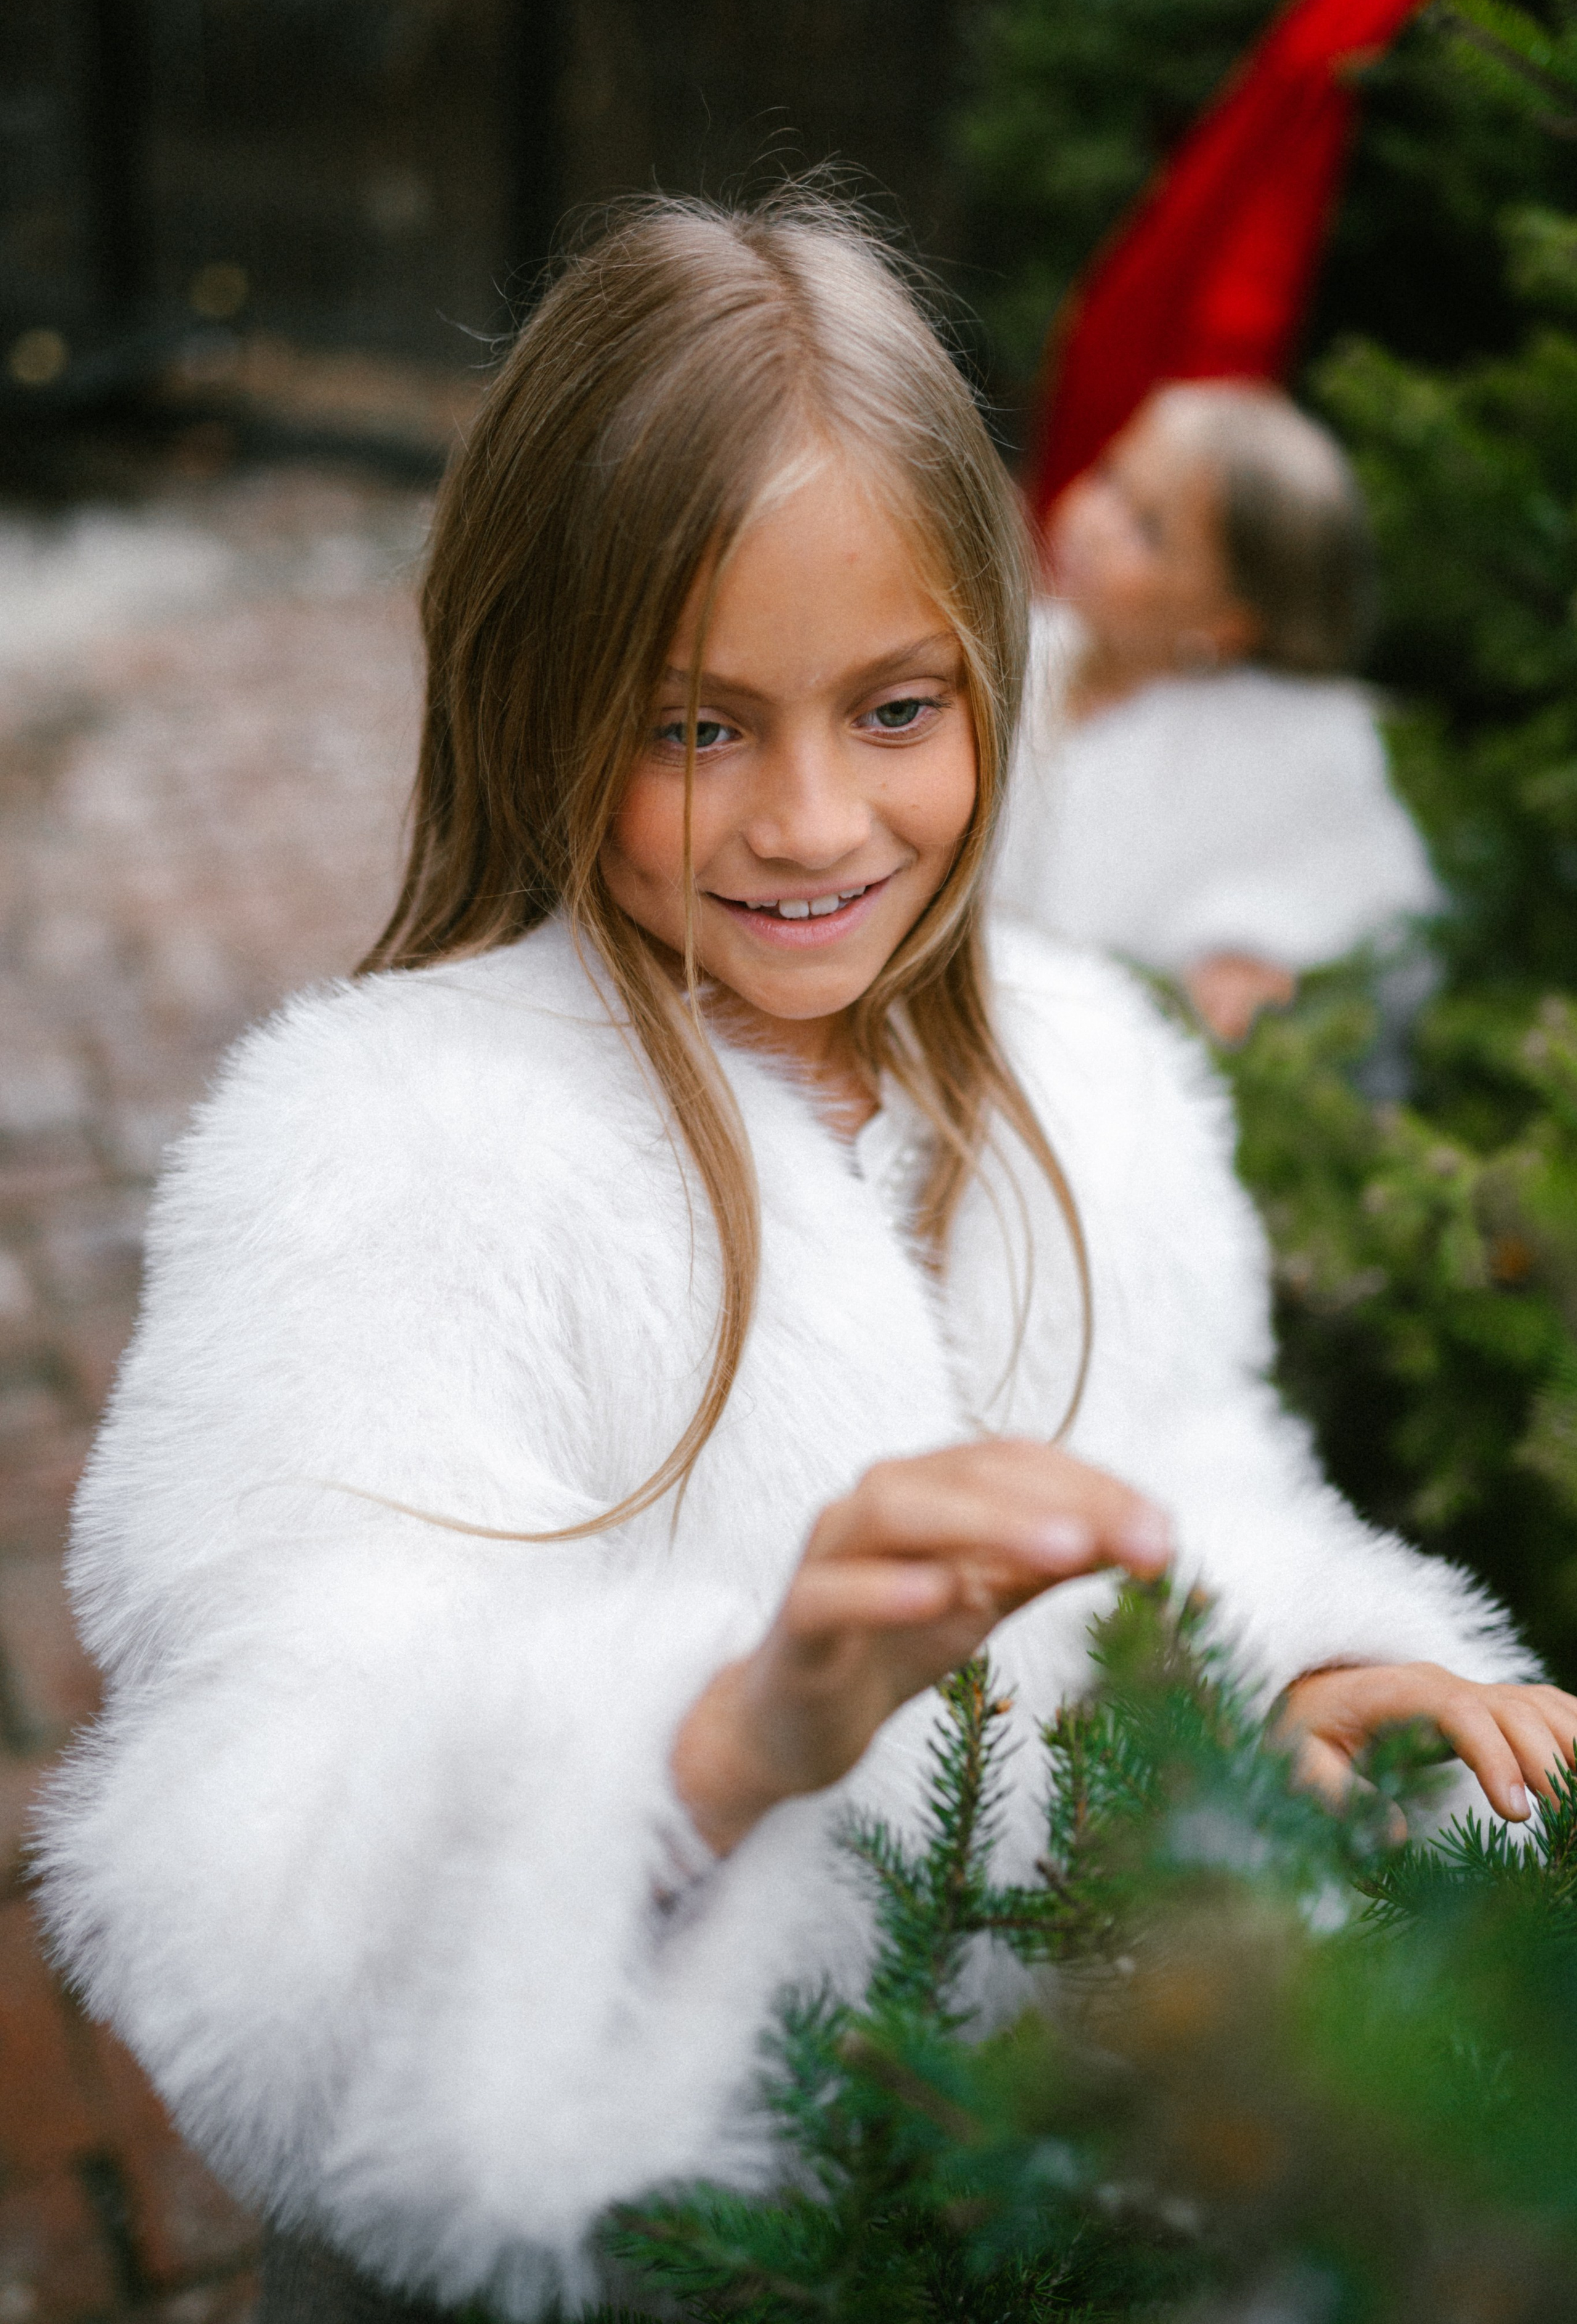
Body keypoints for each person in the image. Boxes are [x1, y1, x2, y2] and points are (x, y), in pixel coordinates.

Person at [36, 199, 1577, 2324]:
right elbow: (248, 1863)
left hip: (1014, 2202)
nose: (813, 825)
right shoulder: (381, 1152)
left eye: (893, 709)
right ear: (532, 697)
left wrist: (1299, 1680)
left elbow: (1190, 1478)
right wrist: (734, 1729)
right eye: (694, 729)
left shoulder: (1087, 1071)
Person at [992, 382, 1441, 1043]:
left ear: (1227, 622)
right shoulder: (1016, 650)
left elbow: (1371, 899)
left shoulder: (1290, 746)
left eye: (1146, 530)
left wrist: (1252, 950)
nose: (1095, 521)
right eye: (1110, 476)